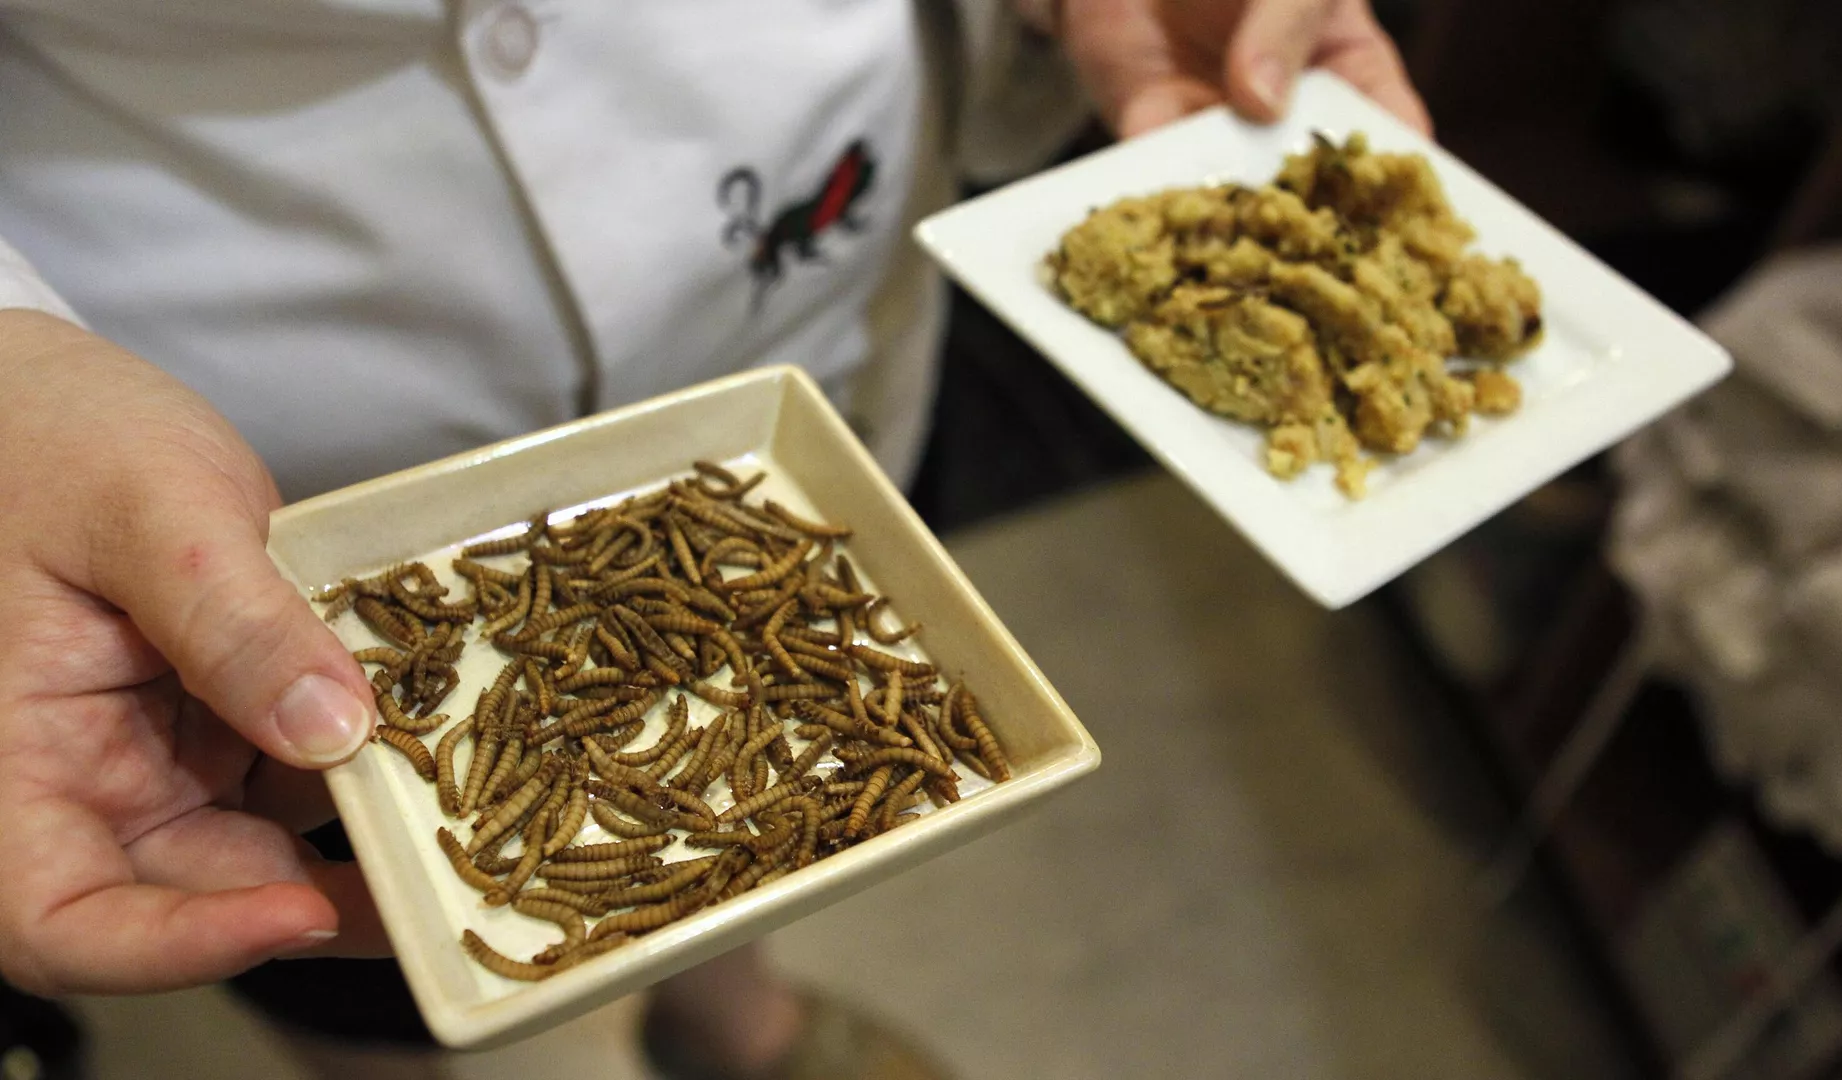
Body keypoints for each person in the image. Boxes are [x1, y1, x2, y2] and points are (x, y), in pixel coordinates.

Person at [0, 1, 1425, 1077]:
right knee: (345, 893)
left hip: (804, 295)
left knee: (795, 728)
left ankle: (731, 1013)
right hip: (204, 401)